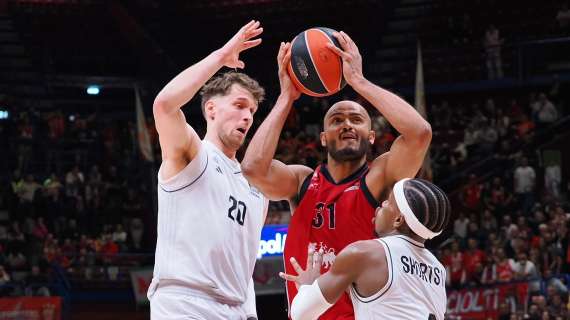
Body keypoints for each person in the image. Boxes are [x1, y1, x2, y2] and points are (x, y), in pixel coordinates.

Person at [242, 31, 432, 319]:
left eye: (356, 120)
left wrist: (359, 81)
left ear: (370, 137)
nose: (346, 125)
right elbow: (253, 169)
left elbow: (420, 134)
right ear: (322, 138)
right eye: (336, 120)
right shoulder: (301, 181)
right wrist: (286, 98)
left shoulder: (379, 179)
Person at [148, 20, 268, 320]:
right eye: (240, 105)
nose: (247, 117)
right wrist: (221, 57)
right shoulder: (193, 155)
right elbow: (163, 105)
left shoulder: (256, 187)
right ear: (211, 109)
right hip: (185, 304)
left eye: (252, 111)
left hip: (239, 309)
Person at [280, 178, 450, 320]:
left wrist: (307, 285)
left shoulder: (365, 253)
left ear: (398, 220)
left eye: (388, 202)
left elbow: (301, 313)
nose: (381, 204)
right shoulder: (438, 269)